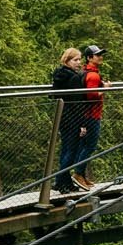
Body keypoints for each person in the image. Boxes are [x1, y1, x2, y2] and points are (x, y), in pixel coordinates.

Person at [49, 46, 91, 191]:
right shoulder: (74, 78)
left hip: (63, 116)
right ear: (67, 61)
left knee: (66, 149)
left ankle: (62, 181)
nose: (78, 63)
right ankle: (62, 182)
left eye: (79, 59)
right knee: (72, 150)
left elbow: (53, 94)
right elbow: (77, 102)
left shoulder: (59, 75)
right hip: (73, 118)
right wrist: (83, 124)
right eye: (75, 60)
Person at [76, 44, 107, 190]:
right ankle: (78, 174)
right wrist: (104, 89)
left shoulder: (85, 72)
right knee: (90, 145)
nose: (100, 57)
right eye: (97, 55)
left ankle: (81, 175)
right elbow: (91, 95)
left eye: (101, 54)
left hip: (85, 114)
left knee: (84, 145)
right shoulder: (93, 75)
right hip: (92, 115)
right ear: (89, 58)